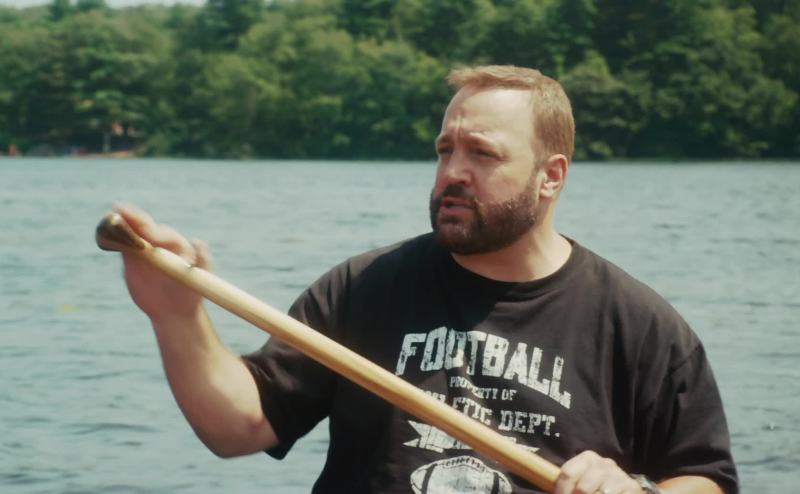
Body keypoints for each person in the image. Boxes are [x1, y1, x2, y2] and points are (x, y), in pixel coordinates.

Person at [114, 65, 738, 494]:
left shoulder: (638, 325)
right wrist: (177, 316)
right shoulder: (366, 287)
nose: (452, 173)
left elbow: (705, 478)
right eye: (445, 150)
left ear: (551, 176)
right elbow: (238, 428)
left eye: (482, 154)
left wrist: (632, 489)